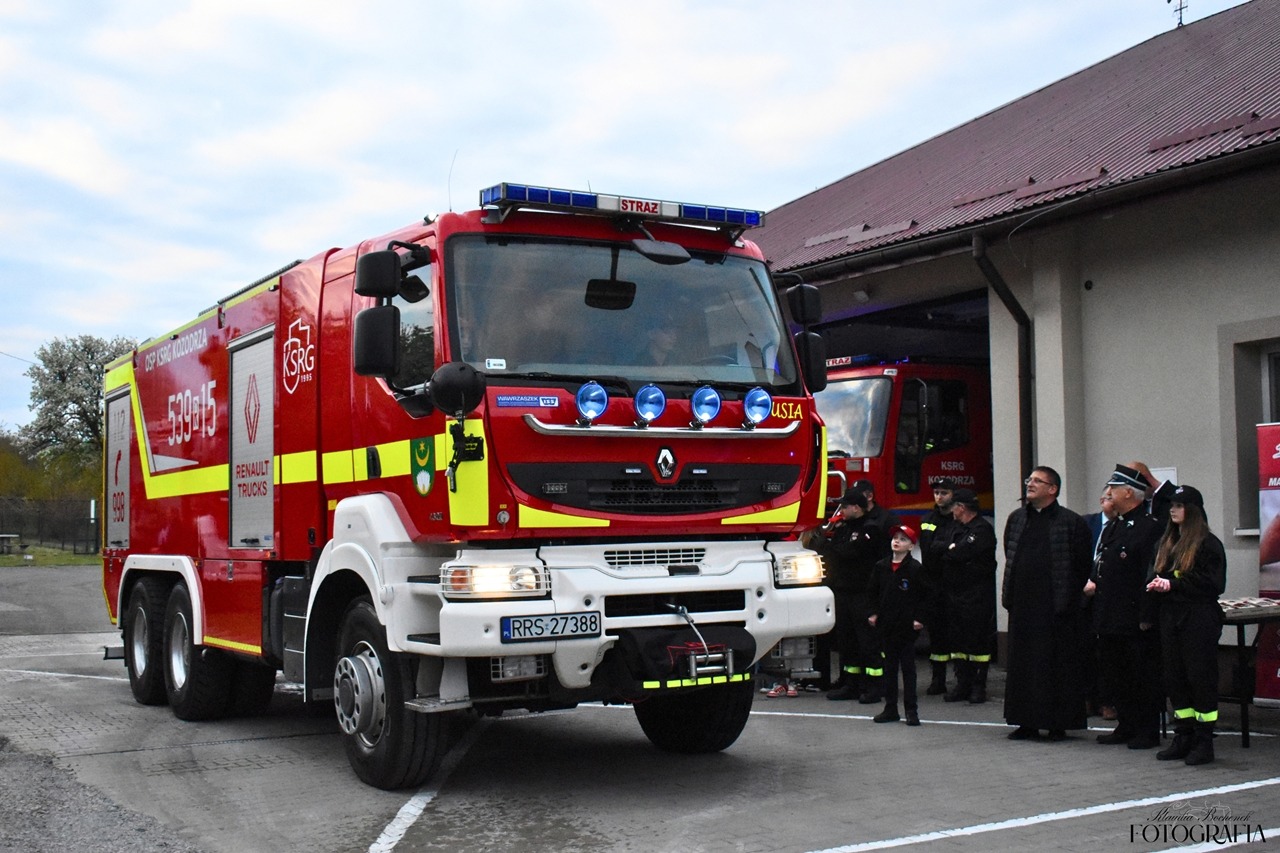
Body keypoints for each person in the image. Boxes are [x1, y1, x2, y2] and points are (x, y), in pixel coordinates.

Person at [1001, 466, 1094, 741]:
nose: (1029, 484)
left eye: (1037, 481)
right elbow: (1011, 552)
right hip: (1023, 605)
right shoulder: (1017, 519)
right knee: (1023, 665)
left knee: (1056, 666)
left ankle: (1057, 723)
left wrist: (1070, 598)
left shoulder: (1071, 522)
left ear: (1053, 489)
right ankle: (1024, 721)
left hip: (1056, 607)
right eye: (1029, 480)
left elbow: (1081, 562)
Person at [1145, 484, 1227, 765]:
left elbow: (1214, 583)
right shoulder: (1165, 542)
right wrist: (1155, 583)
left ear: (1193, 510)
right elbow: (1152, 573)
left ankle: (1205, 741)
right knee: (1175, 677)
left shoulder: (1208, 543)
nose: (1173, 510)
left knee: (1199, 678)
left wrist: (1175, 584)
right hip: (1170, 616)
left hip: (1198, 617)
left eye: (1179, 506)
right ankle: (1184, 735)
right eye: (1171, 506)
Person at [1087, 463, 1165, 750]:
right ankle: (1126, 724)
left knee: (1141, 675)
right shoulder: (1117, 525)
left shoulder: (1150, 528)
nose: (1109, 493)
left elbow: (1150, 573)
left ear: (1129, 493)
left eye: (1113, 489)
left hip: (1134, 617)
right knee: (1115, 673)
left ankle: (1146, 729)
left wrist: (1147, 615)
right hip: (1110, 614)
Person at [813, 488, 889, 701]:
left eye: (844, 506)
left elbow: (849, 552)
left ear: (856, 507)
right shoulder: (843, 528)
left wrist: (837, 546)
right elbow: (829, 551)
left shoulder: (870, 529)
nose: (842, 510)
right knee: (847, 642)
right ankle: (851, 683)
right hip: (843, 592)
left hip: (863, 593)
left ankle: (875, 686)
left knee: (868, 642)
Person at [939, 488, 998, 704]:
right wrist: (951, 549)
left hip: (976, 596)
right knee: (958, 643)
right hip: (955, 594)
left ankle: (978, 685)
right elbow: (942, 550)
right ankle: (962, 683)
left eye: (954, 507)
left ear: (961, 508)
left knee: (977, 643)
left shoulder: (981, 529)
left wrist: (953, 550)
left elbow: (961, 552)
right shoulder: (956, 528)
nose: (951, 511)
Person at [867, 524, 928, 726]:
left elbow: (924, 596)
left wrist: (919, 618)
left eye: (903, 539)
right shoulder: (881, 566)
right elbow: (873, 592)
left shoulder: (915, 569)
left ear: (911, 546)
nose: (897, 541)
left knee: (908, 669)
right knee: (890, 669)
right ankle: (890, 708)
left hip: (906, 626)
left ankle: (911, 711)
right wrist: (873, 613)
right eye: (895, 538)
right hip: (887, 624)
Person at [919, 477, 956, 695]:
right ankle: (938, 679)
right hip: (934, 584)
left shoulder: (959, 518)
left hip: (955, 583)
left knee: (959, 634)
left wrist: (945, 548)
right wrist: (947, 547)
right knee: (937, 636)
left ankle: (964, 680)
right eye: (936, 493)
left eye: (944, 493)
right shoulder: (928, 519)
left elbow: (960, 548)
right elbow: (928, 548)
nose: (939, 496)